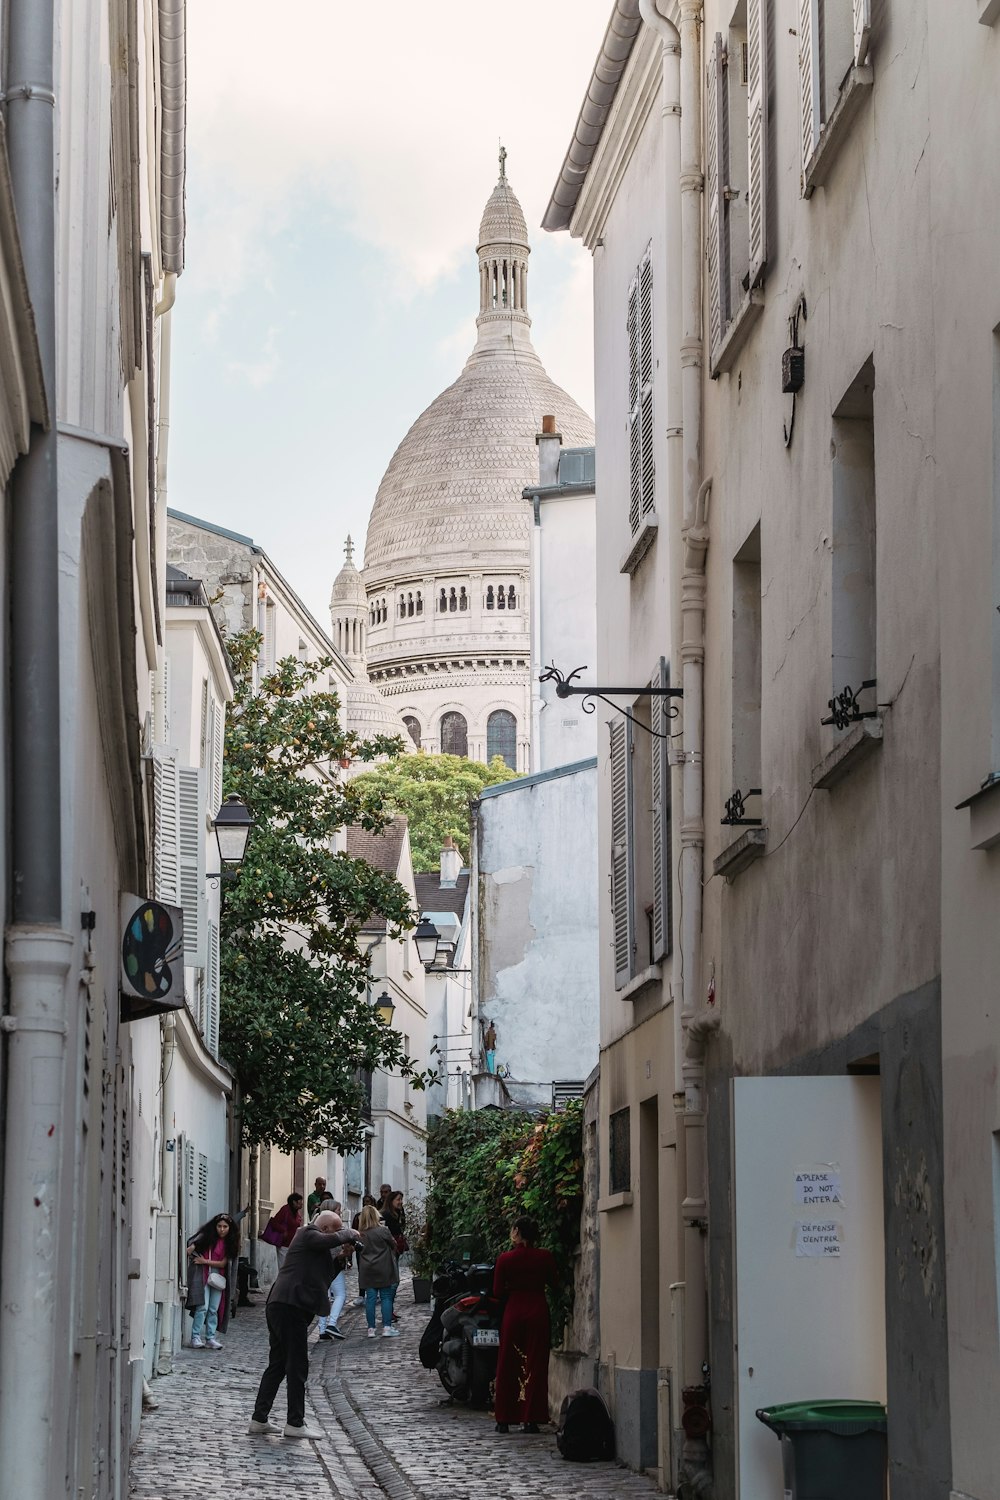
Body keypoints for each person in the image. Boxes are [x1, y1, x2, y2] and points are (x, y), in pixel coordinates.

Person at [247, 1210, 361, 1439]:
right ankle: (295, 1423)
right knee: (297, 1366)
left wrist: (341, 1258)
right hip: (290, 1307)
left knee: (278, 1364)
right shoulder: (306, 1233)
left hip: (284, 1306)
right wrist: (349, 1233)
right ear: (326, 1228)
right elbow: (327, 1240)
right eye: (336, 1230)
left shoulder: (314, 1249)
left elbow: (322, 1279)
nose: (338, 1236)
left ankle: (259, 1419)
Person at [492, 1215, 557, 1433]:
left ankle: (504, 1417)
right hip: (537, 1309)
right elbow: (554, 1284)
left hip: (514, 1310)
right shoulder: (544, 1257)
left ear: (517, 1231)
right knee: (535, 1363)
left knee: (508, 1362)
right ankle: (531, 1417)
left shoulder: (505, 1259)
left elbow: (497, 1291)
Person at [186, 1211, 241, 1350]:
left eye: (225, 1227)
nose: (222, 1229)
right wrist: (193, 1247)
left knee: (213, 1309)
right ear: (214, 1226)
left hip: (218, 1278)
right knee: (201, 1307)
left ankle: (210, 1338)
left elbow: (223, 1264)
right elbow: (190, 1247)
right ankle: (195, 1337)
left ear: (230, 1228)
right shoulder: (206, 1238)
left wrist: (204, 1261)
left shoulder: (231, 1243)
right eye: (219, 1226)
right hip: (203, 1275)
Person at [355, 1204, 400, 1338]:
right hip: (383, 1267)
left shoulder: (360, 1234)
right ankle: (387, 1327)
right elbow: (393, 1244)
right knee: (386, 1297)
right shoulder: (383, 1231)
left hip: (367, 1269)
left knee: (370, 1299)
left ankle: (371, 1329)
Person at [317, 1200, 348, 1340]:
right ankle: (332, 1323)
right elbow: (335, 1250)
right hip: (333, 1266)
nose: (339, 1213)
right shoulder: (332, 1229)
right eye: (337, 1210)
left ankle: (322, 1329)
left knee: (325, 1297)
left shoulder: (316, 1226)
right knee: (340, 1294)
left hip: (321, 1267)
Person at [350, 1194, 377, 1305]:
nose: (367, 1204)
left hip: (373, 1248)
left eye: (369, 1202)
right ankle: (362, 1294)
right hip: (361, 1248)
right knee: (362, 1271)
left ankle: (374, 1293)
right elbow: (353, 1232)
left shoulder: (376, 1217)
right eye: (365, 1202)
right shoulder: (358, 1217)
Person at [270, 1193, 303, 1267]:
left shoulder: (297, 1213)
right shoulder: (285, 1210)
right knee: (283, 1267)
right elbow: (274, 1223)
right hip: (283, 1244)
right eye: (300, 1201)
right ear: (294, 1202)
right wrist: (284, 1230)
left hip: (293, 1244)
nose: (302, 1203)